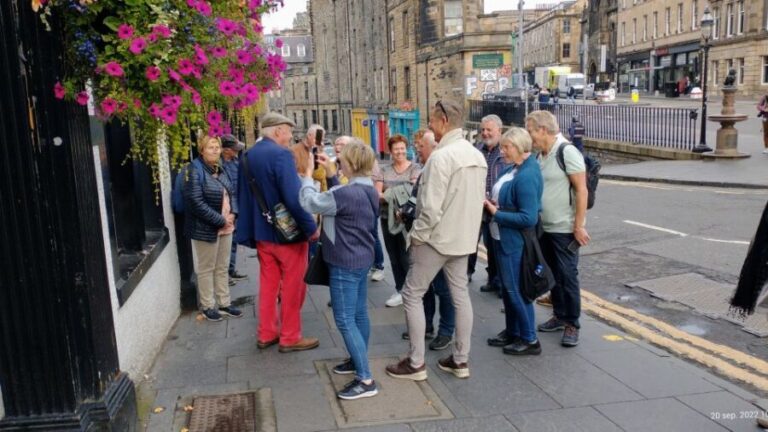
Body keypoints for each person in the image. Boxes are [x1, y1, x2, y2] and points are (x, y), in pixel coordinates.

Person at [385, 100, 486, 381]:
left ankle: (416, 363)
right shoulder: (477, 156)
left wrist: (416, 237)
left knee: (411, 294)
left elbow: (430, 209)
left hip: (437, 239)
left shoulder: (441, 157)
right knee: (460, 296)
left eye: (431, 120)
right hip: (464, 240)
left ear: (443, 120)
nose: (430, 126)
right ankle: (460, 360)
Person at [299, 142, 380, 400]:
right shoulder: (368, 190)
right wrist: (332, 173)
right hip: (361, 258)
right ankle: (358, 361)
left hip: (345, 262)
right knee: (358, 315)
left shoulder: (346, 194)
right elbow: (344, 198)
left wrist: (308, 175)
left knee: (345, 320)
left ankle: (365, 379)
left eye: (342, 159)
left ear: (352, 164)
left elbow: (310, 203)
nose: (339, 161)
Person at [236, 112, 321, 353]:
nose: (290, 137)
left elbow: (243, 195)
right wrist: (311, 228)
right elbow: (294, 200)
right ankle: (290, 337)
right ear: (276, 131)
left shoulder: (247, 156)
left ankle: (266, 333)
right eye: (288, 132)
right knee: (293, 287)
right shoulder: (281, 155)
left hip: (262, 233)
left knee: (268, 285)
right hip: (288, 235)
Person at [526, 110, 589, 347]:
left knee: (567, 276)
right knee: (552, 276)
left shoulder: (567, 151)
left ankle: (572, 323)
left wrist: (579, 225)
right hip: (545, 227)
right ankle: (559, 316)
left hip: (564, 228)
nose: (530, 136)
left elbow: (582, 190)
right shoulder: (541, 154)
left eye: (531, 131)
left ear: (543, 129)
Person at [483, 127, 543, 355]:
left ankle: (530, 339)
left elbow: (529, 217)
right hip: (501, 237)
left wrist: (496, 212)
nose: (502, 151)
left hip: (514, 242)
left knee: (517, 291)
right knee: (509, 291)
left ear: (518, 147)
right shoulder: (514, 168)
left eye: (506, 147)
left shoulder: (527, 175)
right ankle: (513, 331)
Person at [398, 129, 455, 351]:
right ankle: (427, 325)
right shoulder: (425, 170)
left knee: (444, 288)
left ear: (433, 147)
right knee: (426, 288)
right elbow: (416, 198)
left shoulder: (439, 169)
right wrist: (406, 210)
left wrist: (418, 235)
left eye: (420, 146)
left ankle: (446, 331)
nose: (416, 149)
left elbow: (435, 208)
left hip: (436, 240)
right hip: (423, 237)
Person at [184, 135, 243, 322]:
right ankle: (208, 305)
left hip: (227, 226)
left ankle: (224, 303)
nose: (215, 150)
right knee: (207, 268)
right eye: (211, 147)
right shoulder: (195, 170)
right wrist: (220, 220)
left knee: (222, 267)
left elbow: (231, 192)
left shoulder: (220, 168)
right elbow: (195, 201)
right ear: (202, 150)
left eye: (217, 147)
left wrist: (233, 213)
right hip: (207, 228)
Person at [373, 134, 421, 307]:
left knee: (406, 256)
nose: (400, 152)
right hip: (387, 219)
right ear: (390, 151)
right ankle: (400, 289)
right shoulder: (383, 170)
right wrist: (397, 194)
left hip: (406, 220)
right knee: (393, 256)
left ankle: (410, 290)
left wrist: (389, 194)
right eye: (396, 149)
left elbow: (412, 191)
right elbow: (376, 195)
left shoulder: (415, 168)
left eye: (402, 148)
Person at [470, 115, 509, 296]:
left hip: (499, 206)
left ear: (499, 131)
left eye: (489, 130)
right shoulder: (477, 149)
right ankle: (492, 279)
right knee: (488, 245)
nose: (485, 133)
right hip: (479, 205)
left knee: (500, 245)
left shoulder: (506, 150)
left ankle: (503, 283)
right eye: (483, 130)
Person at [220, 134, 247, 285]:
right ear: (226, 150)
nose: (237, 151)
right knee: (226, 242)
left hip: (237, 206)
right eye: (234, 149)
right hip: (227, 208)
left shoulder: (236, 162)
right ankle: (225, 275)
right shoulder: (220, 165)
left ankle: (231, 270)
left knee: (234, 240)